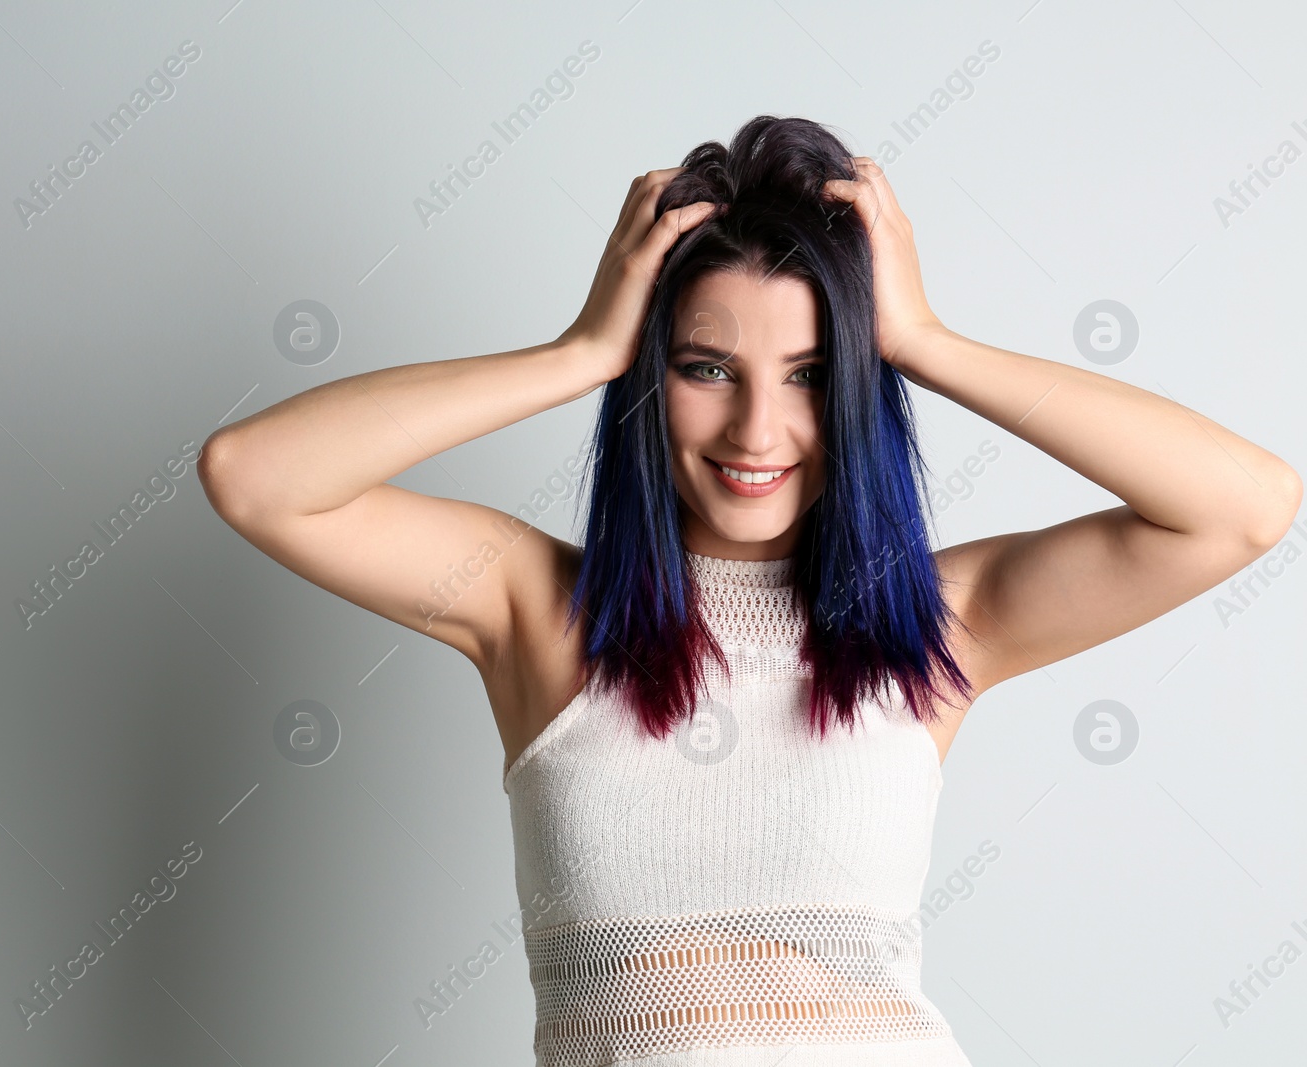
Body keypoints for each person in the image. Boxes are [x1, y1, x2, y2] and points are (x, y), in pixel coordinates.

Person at [196, 115, 1301, 1065]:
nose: (757, 430)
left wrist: (920, 339)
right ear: (649, 372)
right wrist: (579, 352)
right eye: (704, 367)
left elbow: (1243, 504)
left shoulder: (936, 621)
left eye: (813, 376)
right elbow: (256, 477)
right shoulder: (535, 610)